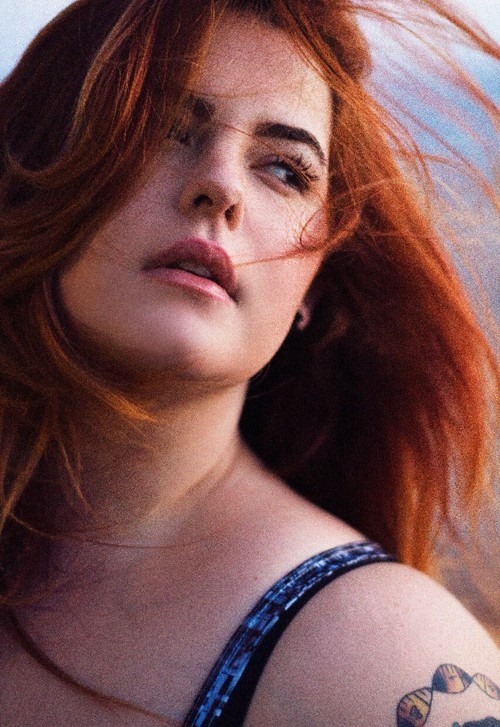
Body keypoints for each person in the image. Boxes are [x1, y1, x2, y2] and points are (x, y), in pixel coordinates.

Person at [0, 0, 498, 724]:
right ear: (29, 169)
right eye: (162, 127)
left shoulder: (386, 662)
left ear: (312, 288)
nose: (222, 187)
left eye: (286, 170)